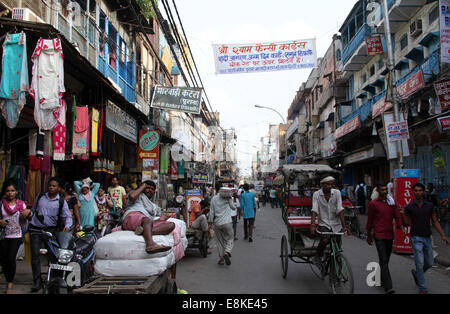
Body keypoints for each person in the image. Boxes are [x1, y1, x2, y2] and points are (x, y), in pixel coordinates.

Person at [399, 183, 449, 294]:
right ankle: (423, 287)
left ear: (423, 192)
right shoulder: (409, 207)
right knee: (420, 262)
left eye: (420, 190)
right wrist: (403, 214)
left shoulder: (429, 205)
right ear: (413, 192)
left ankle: (417, 274)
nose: (418, 192)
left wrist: (443, 236)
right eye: (415, 190)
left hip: (427, 237)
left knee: (430, 262)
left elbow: (435, 221)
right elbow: (407, 224)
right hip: (416, 237)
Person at [29, 177, 72, 292]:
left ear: (58, 188)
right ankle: (37, 282)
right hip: (36, 230)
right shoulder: (40, 197)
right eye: (50, 185)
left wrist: (67, 226)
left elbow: (67, 216)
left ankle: (52, 280)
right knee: (35, 256)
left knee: (54, 256)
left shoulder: (61, 201)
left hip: (51, 231)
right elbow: (32, 210)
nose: (51, 187)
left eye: (54, 186)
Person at [366, 182, 406, 294]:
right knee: (383, 259)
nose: (384, 192)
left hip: (389, 234)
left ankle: (380, 277)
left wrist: (401, 227)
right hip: (379, 235)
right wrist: (368, 234)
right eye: (382, 190)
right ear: (378, 191)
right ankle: (388, 287)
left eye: (385, 190)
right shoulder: (373, 204)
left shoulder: (391, 203)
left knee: (385, 260)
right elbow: (370, 220)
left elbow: (397, 216)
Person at [122, 181, 175, 254]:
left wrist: (161, 219)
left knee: (171, 225)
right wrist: (142, 186)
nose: (150, 190)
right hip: (132, 217)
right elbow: (132, 197)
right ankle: (150, 244)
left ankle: (144, 232)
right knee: (147, 220)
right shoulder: (137, 195)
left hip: (145, 224)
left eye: (152, 189)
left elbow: (157, 216)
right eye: (147, 188)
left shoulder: (153, 206)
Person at [0, 181, 31, 294]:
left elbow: (29, 218)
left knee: (11, 258)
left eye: (12, 190)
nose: (10, 193)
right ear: (5, 192)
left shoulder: (21, 204)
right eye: (8, 191)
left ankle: (10, 283)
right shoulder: (1, 204)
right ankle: (8, 280)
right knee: (4, 260)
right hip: (4, 236)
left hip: (17, 235)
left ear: (16, 192)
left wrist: (29, 213)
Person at [310, 176, 348, 265]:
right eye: (327, 184)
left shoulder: (337, 193)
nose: (330, 186)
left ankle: (335, 270)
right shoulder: (316, 194)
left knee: (337, 248)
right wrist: (312, 224)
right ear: (322, 185)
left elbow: (340, 209)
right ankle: (317, 256)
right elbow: (315, 209)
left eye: (331, 184)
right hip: (324, 223)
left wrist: (344, 226)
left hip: (336, 224)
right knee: (325, 240)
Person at [208, 184, 235, 266]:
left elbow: (211, 212)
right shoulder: (228, 198)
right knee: (230, 238)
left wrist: (210, 223)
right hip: (227, 223)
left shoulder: (213, 198)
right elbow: (233, 207)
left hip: (217, 223)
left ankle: (221, 259)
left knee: (220, 242)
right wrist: (232, 200)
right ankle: (227, 252)